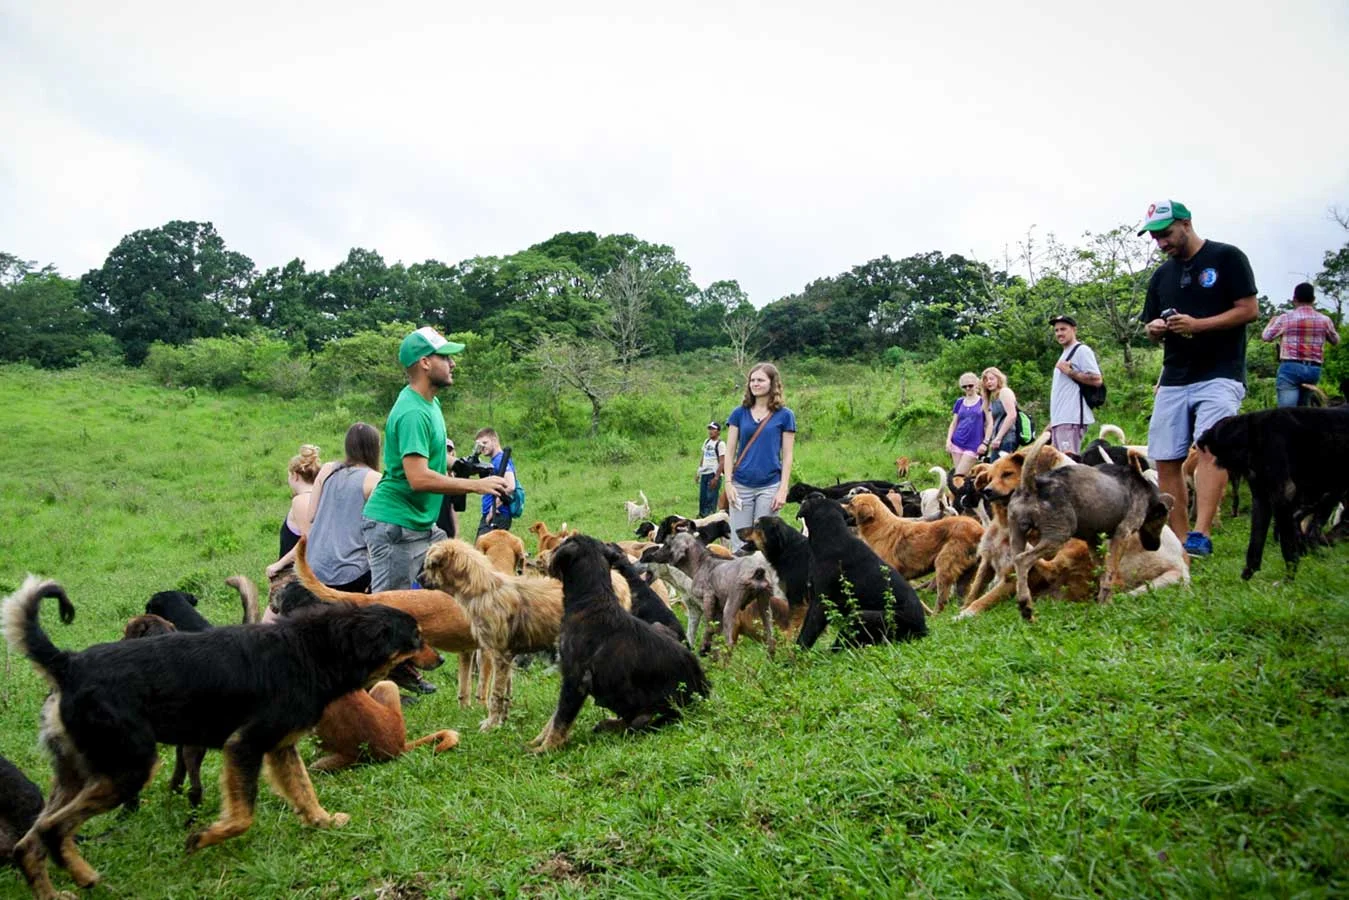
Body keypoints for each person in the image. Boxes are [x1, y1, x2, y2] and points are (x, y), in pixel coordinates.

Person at [1139, 199, 1259, 558]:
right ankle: (1180, 538)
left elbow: (1249, 310)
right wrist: (1156, 329)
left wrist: (1198, 325)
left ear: (1187, 223)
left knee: (1212, 447)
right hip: (1175, 375)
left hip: (1220, 372)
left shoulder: (1227, 258)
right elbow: (1148, 327)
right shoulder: (1161, 276)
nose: (1161, 243)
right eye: (1155, 237)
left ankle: (1202, 533)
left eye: (1166, 234)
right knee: (1165, 457)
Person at [362, 326, 509, 591]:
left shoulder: (431, 404)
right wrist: (477, 487)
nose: (452, 363)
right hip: (396, 526)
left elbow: (431, 456)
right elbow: (418, 477)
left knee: (453, 585)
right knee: (391, 615)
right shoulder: (412, 412)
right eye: (445, 357)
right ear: (425, 362)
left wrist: (466, 466)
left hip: (422, 524)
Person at [724, 362, 796, 553]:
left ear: (772, 383)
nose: (755, 384)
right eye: (752, 380)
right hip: (741, 485)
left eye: (760, 380)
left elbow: (787, 455)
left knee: (766, 543)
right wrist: (728, 483)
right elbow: (730, 451)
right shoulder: (739, 413)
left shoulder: (785, 416)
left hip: (770, 485)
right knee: (740, 544)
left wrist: (783, 489)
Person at [304, 422, 383, 593]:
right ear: (376, 448)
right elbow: (377, 534)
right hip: (350, 572)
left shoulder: (327, 469)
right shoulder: (376, 479)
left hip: (313, 568)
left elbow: (311, 515)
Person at [1261, 282, 1340, 408]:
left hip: (1290, 367)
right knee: (1304, 411)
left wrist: (1271, 322)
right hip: (1314, 369)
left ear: (1294, 299)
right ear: (1313, 300)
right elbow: (1335, 340)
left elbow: (1266, 337)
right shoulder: (1325, 320)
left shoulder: (1286, 318)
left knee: (1288, 412)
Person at [1047, 315, 1103, 455]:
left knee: (1069, 465)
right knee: (1060, 466)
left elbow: (1097, 379)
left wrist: (1069, 372)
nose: (1059, 333)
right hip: (1061, 419)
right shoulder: (1065, 353)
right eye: (1056, 330)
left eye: (1063, 329)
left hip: (1072, 418)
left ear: (1074, 329)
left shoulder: (1081, 350)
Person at [266, 444, 320, 581]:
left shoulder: (301, 501)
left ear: (295, 476)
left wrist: (279, 564)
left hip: (297, 576)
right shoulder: (320, 496)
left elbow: (307, 539)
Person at [473, 427, 517, 537]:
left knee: (481, 552)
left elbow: (511, 486)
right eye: (480, 445)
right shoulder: (496, 460)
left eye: (485, 443)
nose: (482, 447)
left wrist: (493, 508)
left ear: (494, 440)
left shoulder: (500, 460)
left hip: (497, 515)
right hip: (494, 514)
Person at [945, 373, 985, 475]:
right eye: (964, 386)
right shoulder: (960, 402)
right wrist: (948, 440)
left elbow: (989, 423)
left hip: (974, 444)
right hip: (957, 441)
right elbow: (954, 423)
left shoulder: (983, 401)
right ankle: (964, 491)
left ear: (976, 385)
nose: (968, 388)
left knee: (959, 475)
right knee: (959, 478)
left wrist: (985, 442)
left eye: (970, 385)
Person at [978, 367, 1019, 459]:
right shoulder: (994, 398)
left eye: (991, 379)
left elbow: (1012, 415)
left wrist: (998, 438)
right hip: (997, 440)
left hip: (1007, 439)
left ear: (999, 379)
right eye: (986, 380)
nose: (989, 382)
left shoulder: (1004, 392)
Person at [696, 421, 727, 516]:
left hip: (713, 474)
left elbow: (722, 461)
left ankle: (710, 518)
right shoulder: (706, 442)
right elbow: (703, 457)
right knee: (703, 498)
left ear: (718, 432)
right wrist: (698, 472)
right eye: (709, 429)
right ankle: (701, 516)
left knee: (711, 498)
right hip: (704, 473)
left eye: (713, 429)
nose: (710, 431)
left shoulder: (720, 444)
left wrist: (716, 478)